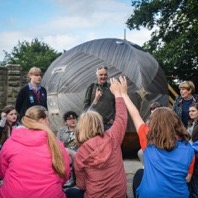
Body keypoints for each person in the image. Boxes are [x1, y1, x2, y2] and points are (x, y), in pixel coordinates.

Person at [118, 76, 195, 198]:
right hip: (180, 194)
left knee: (139, 174)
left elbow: (135, 115)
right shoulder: (189, 149)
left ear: (153, 124)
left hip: (150, 194)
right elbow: (187, 178)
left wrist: (123, 94)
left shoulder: (148, 140)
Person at [66, 77, 128, 198]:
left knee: (69, 192)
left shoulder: (80, 154)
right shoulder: (113, 137)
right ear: (99, 123)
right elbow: (121, 117)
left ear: (81, 128)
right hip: (119, 195)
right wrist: (119, 94)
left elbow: (81, 185)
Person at [0, 105, 70, 198]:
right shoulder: (56, 143)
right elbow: (64, 174)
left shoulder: (10, 142)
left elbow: (2, 171)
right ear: (42, 121)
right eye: (47, 119)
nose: (49, 122)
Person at [57, 111, 78, 188]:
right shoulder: (62, 130)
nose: (73, 120)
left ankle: (73, 179)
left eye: (74, 118)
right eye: (70, 119)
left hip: (77, 151)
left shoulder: (80, 129)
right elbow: (58, 142)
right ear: (66, 122)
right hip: (65, 150)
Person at [188, 103, 198, 198]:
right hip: (191, 152)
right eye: (189, 111)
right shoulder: (190, 123)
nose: (190, 113)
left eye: (193, 111)